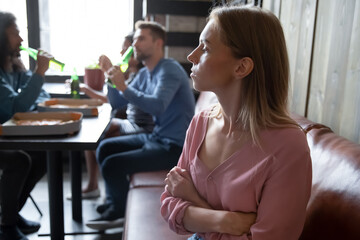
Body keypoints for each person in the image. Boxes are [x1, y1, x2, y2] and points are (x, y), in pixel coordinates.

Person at [161, 5, 312, 240]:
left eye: (206, 48)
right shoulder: (201, 122)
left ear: (242, 67)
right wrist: (227, 221)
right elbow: (169, 205)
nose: (192, 56)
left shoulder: (288, 146)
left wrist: (193, 200)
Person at [86, 20, 196, 230]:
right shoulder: (145, 73)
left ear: (158, 43)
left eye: (141, 39)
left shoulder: (169, 69)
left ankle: (117, 213)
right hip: (156, 138)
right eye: (135, 39)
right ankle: (114, 203)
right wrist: (111, 77)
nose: (135, 44)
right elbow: (118, 101)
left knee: (112, 164)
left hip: (174, 147)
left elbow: (157, 106)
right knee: (105, 147)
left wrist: (123, 85)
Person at [67, 33, 154, 200]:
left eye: (126, 49)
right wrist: (89, 90)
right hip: (131, 122)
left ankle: (103, 190)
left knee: (98, 137)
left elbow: (116, 102)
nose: (122, 54)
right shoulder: (134, 74)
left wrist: (108, 73)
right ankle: (98, 187)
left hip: (141, 127)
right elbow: (117, 99)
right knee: (96, 134)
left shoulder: (144, 75)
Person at [0, 11, 52, 240]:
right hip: (5, 135)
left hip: (7, 134)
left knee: (42, 156)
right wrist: (40, 71)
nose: (21, 40)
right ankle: (7, 227)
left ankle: (9, 214)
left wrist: (33, 77)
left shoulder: (11, 67)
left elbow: (40, 95)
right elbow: (15, 108)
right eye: (15, 34)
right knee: (19, 159)